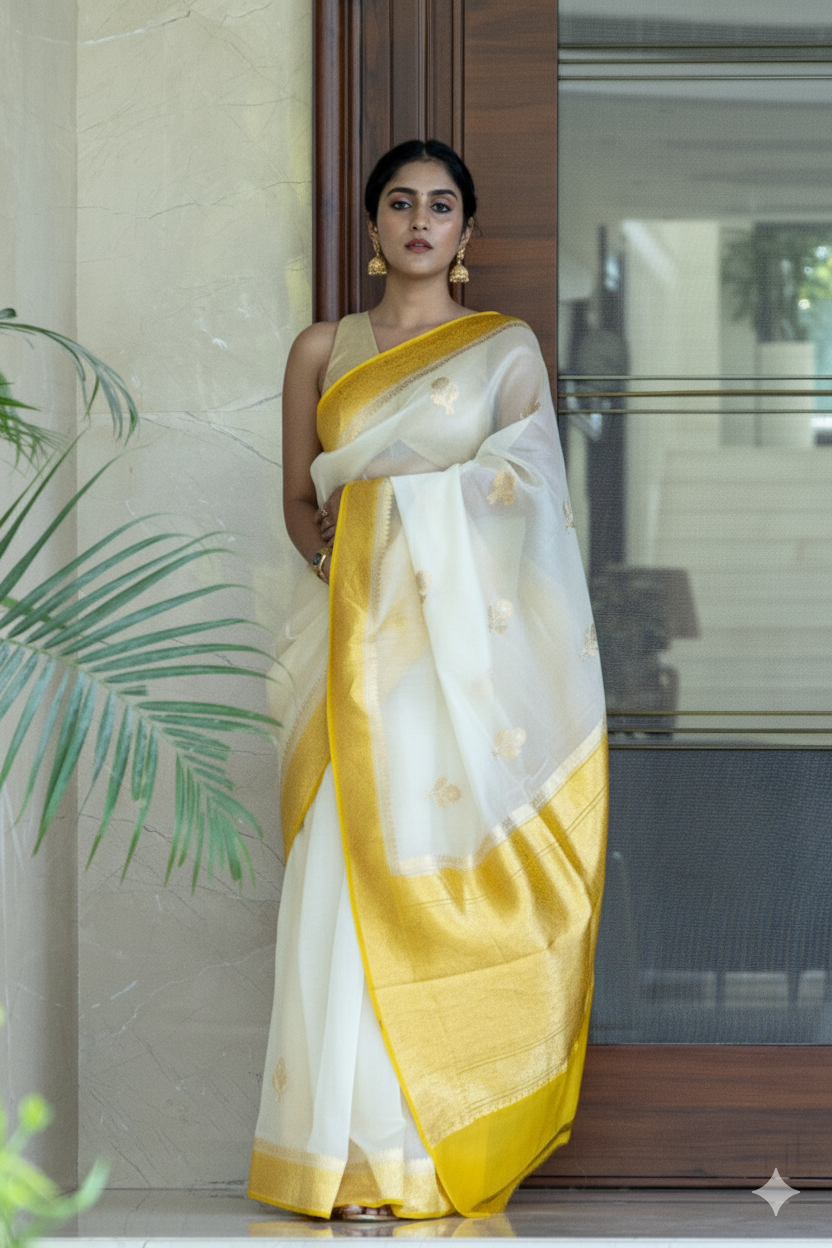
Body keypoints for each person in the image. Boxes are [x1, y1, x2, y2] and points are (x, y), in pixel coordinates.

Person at [248, 139, 608, 1222]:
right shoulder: (321, 348)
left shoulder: (502, 351)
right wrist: (351, 576)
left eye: (439, 205)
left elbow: (530, 496)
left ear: (466, 234)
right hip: (349, 659)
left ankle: (418, 1154)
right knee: (335, 890)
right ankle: (339, 1159)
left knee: (434, 871)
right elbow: (299, 502)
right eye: (398, 204)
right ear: (371, 230)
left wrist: (415, 533)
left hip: (451, 674)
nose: (417, 220)